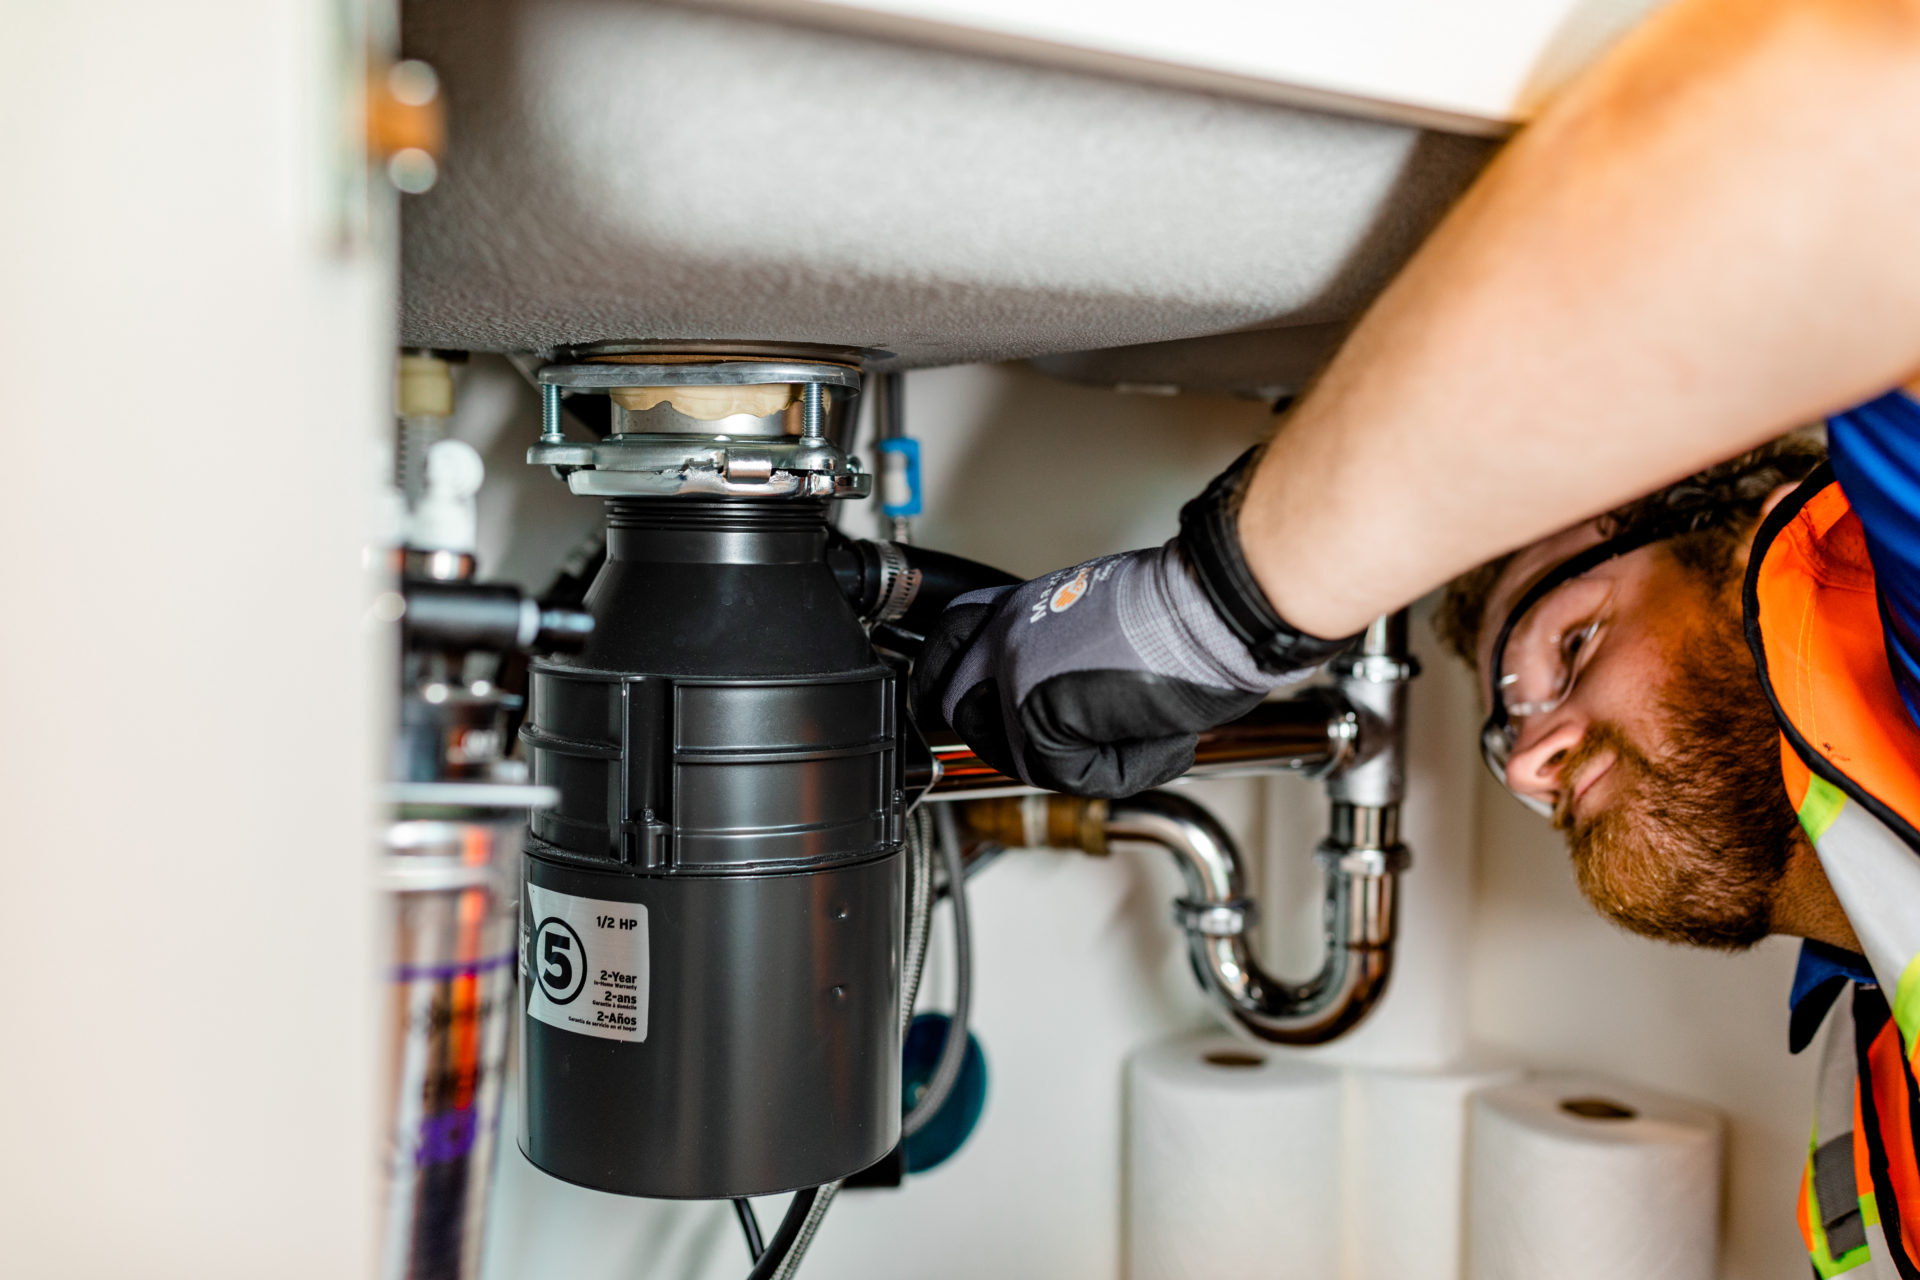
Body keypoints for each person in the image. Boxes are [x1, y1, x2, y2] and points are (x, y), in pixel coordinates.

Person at [912, 0, 1920, 1272]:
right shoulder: (1870, 1051)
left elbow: (1851, 107)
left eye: (1569, 646)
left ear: (1747, 537)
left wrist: (1218, 605)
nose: (1537, 761)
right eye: (1509, 734)